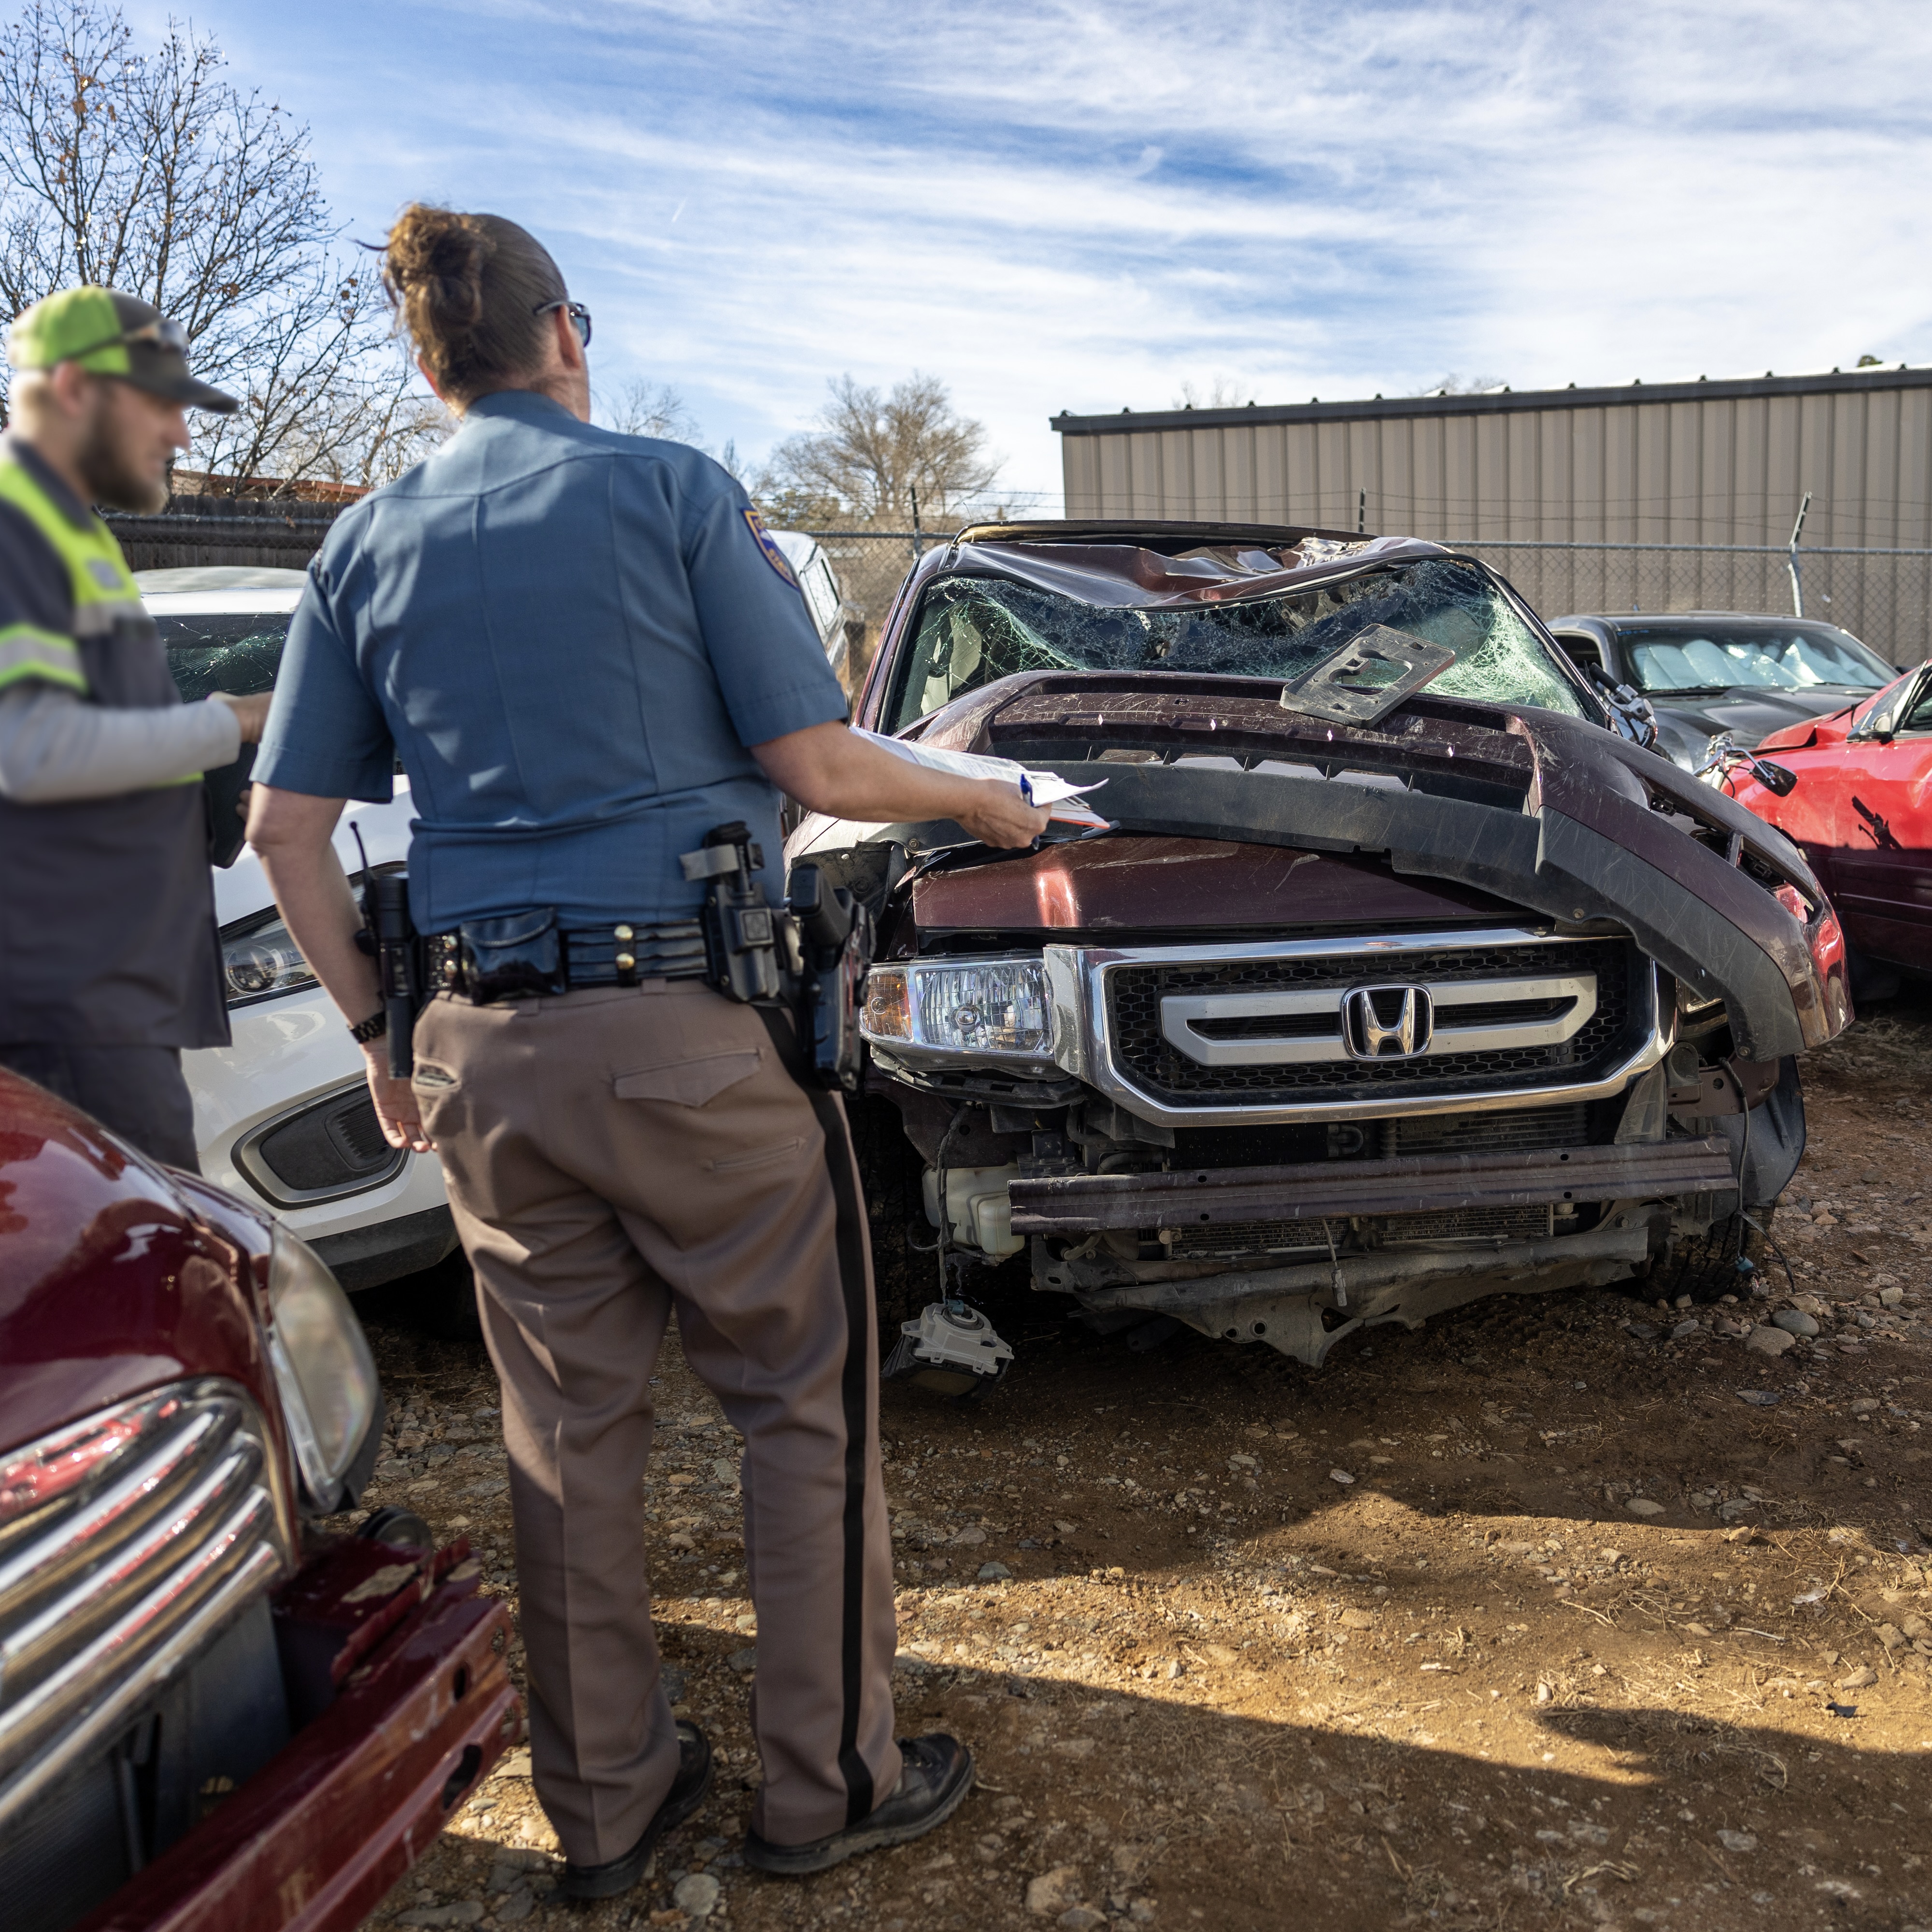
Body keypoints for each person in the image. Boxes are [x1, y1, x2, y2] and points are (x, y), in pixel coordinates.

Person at [245, 205, 1048, 1898]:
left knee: (562, 1432)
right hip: (689, 1038)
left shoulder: (362, 546)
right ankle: (826, 1786)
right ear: (568, 335)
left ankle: (605, 1811)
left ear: (430, 361)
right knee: (796, 1409)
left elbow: (285, 830)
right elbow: (818, 763)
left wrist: (385, 1038)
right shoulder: (672, 493)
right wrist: (985, 795)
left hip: (480, 1057)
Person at [0, 287, 267, 1169]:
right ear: (75, 387)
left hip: (92, 1000)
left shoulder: (70, 534)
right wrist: (233, 721)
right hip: (62, 1006)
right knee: (139, 1275)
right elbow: (31, 750)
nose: (182, 435)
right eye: (161, 404)